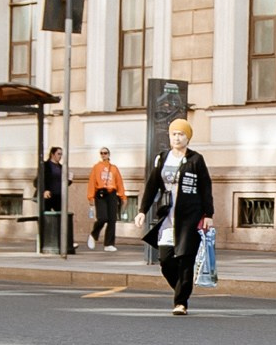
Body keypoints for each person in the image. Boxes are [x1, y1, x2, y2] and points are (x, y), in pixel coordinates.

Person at [138, 119, 212, 315]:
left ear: (188, 138)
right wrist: (142, 211)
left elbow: (206, 187)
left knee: (186, 260)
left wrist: (208, 214)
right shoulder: (162, 158)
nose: (177, 138)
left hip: (190, 216)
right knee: (166, 260)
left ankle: (180, 303)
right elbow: (152, 185)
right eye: (174, 134)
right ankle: (182, 289)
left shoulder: (196, 159)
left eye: (181, 134)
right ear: (169, 137)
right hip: (167, 217)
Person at [87, 147, 126, 251]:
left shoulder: (114, 168)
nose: (103, 155)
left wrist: (123, 196)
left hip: (112, 193)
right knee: (102, 217)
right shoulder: (96, 167)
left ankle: (109, 244)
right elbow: (92, 182)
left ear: (109, 154)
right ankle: (94, 234)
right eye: (101, 153)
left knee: (112, 219)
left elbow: (119, 183)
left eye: (105, 153)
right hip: (100, 193)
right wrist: (90, 196)